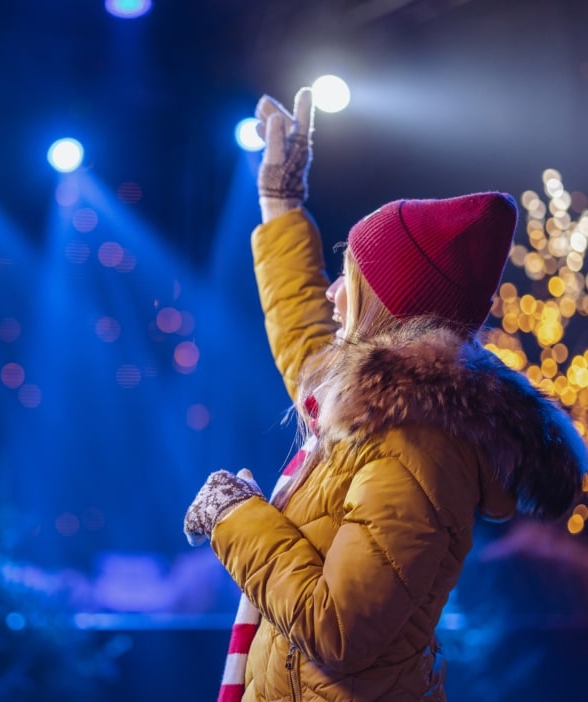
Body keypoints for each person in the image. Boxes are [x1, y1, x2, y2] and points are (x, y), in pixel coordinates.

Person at [183, 86, 588, 701]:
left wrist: (236, 518)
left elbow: (341, 630)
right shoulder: (379, 408)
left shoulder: (415, 446)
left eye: (349, 278)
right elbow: (304, 337)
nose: (332, 294)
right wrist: (280, 205)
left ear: (388, 309)